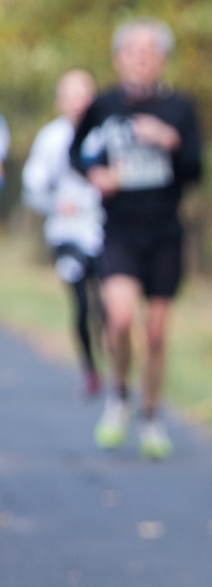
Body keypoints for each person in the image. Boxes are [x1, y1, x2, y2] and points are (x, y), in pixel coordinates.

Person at [70, 18, 202, 460]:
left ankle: (150, 417)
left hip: (164, 233)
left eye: (149, 52)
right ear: (119, 57)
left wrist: (170, 141)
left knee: (158, 332)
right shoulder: (104, 104)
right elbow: (76, 150)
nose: (141, 59)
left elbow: (195, 169)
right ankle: (119, 395)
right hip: (120, 230)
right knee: (120, 318)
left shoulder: (180, 108)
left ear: (161, 58)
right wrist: (96, 174)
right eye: (133, 51)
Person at [24, 70, 105, 397]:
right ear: (60, 101)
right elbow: (33, 189)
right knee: (82, 303)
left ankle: (114, 362)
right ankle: (90, 370)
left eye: (83, 93)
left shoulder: (103, 135)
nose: (78, 101)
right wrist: (57, 204)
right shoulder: (50, 138)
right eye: (70, 95)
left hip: (103, 229)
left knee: (109, 306)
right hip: (66, 234)